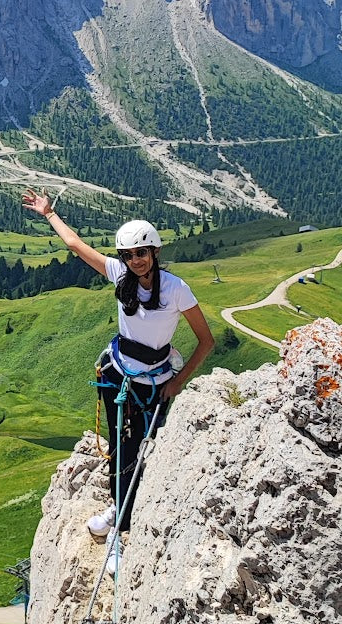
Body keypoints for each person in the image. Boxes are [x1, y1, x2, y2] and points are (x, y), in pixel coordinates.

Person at [21, 189, 214, 572]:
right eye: (128, 254)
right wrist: (49, 213)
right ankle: (119, 511)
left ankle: (118, 528)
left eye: (141, 253)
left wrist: (176, 384)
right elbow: (76, 245)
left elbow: (206, 341)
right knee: (120, 448)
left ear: (155, 253)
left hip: (153, 383)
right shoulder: (120, 275)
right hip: (118, 374)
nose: (135, 260)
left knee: (136, 450)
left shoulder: (176, 289)